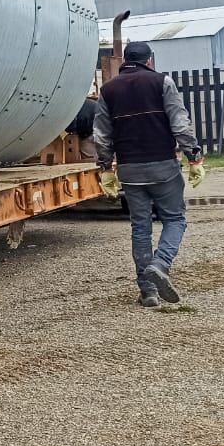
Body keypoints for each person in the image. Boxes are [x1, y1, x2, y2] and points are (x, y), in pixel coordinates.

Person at [92, 41, 206, 307]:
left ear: (125, 61)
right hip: (163, 164)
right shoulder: (162, 82)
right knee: (175, 219)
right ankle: (161, 264)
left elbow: (102, 135)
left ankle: (148, 291)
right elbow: (180, 123)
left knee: (140, 228)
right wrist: (194, 156)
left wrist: (106, 168)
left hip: (130, 170)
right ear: (150, 61)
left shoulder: (108, 91)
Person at [65, 94, 99, 159]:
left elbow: (72, 126)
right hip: (104, 129)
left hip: (91, 132)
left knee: (89, 158)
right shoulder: (87, 102)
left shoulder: (70, 107)